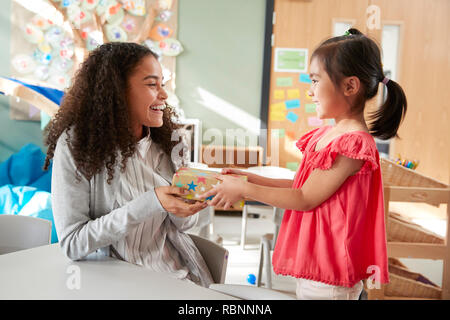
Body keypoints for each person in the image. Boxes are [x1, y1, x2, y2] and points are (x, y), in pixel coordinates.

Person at [199, 28, 407, 299]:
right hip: (316, 262)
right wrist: (247, 178)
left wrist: (245, 190)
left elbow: (305, 198)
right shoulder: (328, 134)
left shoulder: (353, 144)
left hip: (330, 270)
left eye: (315, 80)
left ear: (350, 86)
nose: (310, 92)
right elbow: (300, 186)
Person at [43, 42, 213, 287]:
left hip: (175, 279)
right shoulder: (77, 145)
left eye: (162, 84)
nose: (163, 94)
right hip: (112, 285)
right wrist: (152, 202)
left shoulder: (171, 143)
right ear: (117, 90)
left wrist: (185, 207)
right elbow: (73, 244)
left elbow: (183, 228)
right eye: (152, 84)